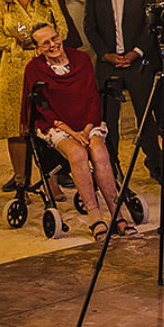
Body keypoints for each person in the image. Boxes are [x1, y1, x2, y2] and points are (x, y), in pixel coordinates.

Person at [22, 22, 133, 240]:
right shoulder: (33, 68)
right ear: (37, 48)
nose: (53, 44)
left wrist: (87, 128)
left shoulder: (81, 60)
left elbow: (93, 98)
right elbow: (42, 110)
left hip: (87, 122)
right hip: (57, 125)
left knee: (99, 152)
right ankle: (95, 216)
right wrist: (73, 134)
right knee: (78, 154)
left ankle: (117, 213)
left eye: (55, 38)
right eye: (46, 43)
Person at [83, 0, 164, 183]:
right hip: (108, 63)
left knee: (145, 116)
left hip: (138, 62)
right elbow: (90, 27)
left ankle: (156, 165)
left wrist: (137, 52)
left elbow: (149, 24)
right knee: (108, 120)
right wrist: (106, 54)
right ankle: (111, 167)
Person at [0, 0, 67, 190]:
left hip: (46, 67)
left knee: (49, 124)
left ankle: (51, 181)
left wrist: (46, 44)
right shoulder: (0, 4)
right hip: (13, 72)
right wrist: (18, 44)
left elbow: (62, 27)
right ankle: (21, 181)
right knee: (16, 128)